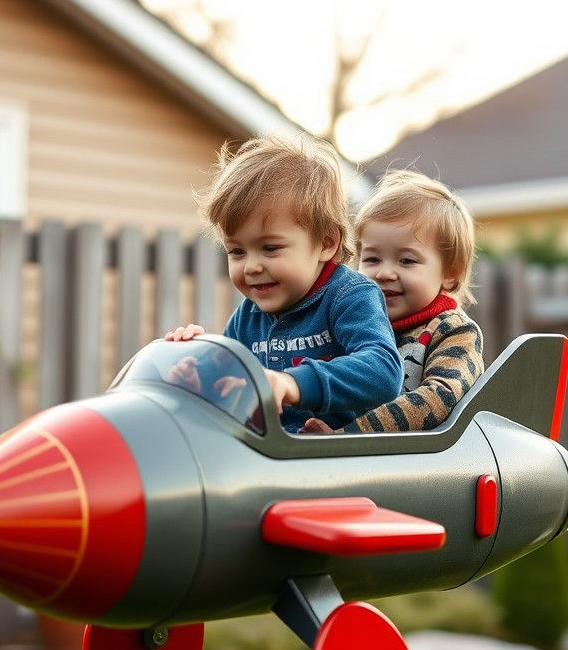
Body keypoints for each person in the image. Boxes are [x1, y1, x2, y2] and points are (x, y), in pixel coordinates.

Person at [164, 135, 403, 433]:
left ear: (326, 243)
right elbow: (227, 381)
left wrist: (292, 383)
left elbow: (383, 371)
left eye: (270, 248)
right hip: (269, 452)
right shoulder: (247, 317)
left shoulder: (348, 296)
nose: (251, 266)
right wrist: (195, 372)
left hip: (340, 452)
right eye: (236, 251)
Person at [303, 169, 483, 434]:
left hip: (413, 458)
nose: (384, 273)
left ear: (450, 273)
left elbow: (439, 398)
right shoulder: (350, 326)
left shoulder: (452, 330)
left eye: (407, 260)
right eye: (372, 259)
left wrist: (347, 437)